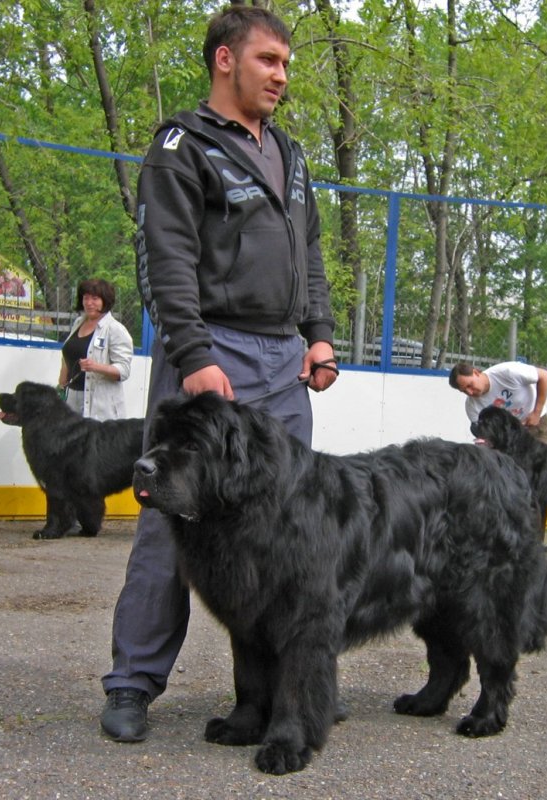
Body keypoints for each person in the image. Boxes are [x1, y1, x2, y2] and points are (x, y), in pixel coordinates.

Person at [99, 5, 337, 742]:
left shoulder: (290, 154)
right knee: (172, 522)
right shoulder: (180, 145)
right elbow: (165, 260)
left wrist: (318, 337)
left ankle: (290, 691)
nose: (282, 77)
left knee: (293, 529)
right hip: (211, 354)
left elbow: (311, 255)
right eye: (269, 61)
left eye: (287, 65)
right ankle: (132, 684)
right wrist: (194, 358)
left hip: (282, 360)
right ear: (225, 60)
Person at [58, 278, 133, 421]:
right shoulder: (78, 323)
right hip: (72, 400)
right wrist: (62, 380)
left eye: (95, 298)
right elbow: (68, 354)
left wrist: (95, 367)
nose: (89, 303)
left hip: (100, 407)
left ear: (105, 300)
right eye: (85, 298)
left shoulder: (115, 329)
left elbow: (123, 370)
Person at [449, 361, 547, 444]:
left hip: (534, 422)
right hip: (508, 437)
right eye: (464, 391)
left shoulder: (507, 372)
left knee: (545, 465)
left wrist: (536, 413)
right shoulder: (472, 407)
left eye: (470, 385)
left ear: (476, 373)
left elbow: (544, 376)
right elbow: (486, 435)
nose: (470, 392)